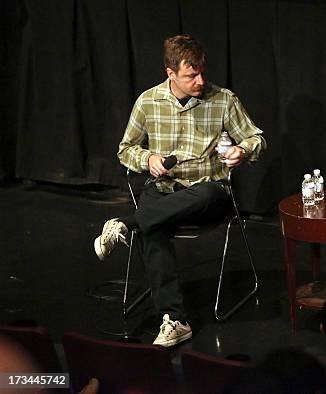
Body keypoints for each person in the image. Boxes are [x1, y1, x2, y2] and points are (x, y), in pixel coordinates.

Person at [93, 34, 266, 347]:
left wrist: (243, 150)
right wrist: (149, 158)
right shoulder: (148, 102)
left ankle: (126, 223)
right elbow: (125, 149)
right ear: (170, 73)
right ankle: (176, 320)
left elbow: (256, 138)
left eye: (202, 71)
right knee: (153, 227)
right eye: (191, 74)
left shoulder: (223, 99)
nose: (200, 80)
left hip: (207, 193)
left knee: (203, 196)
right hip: (163, 190)